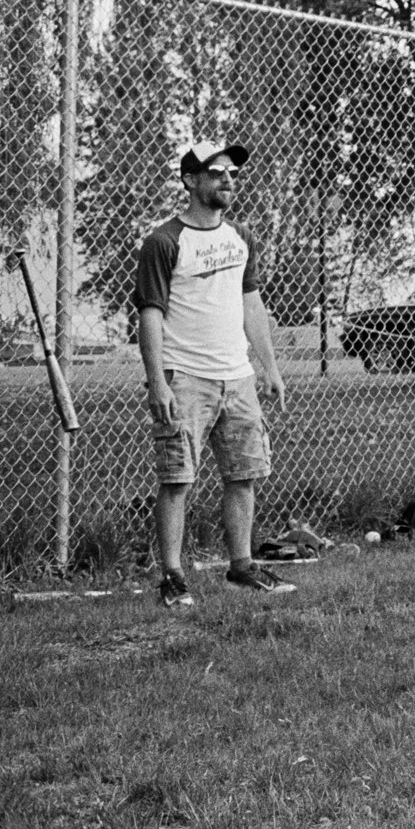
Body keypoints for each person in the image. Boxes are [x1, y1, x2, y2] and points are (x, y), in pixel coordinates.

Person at [136, 140, 294, 606]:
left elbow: (251, 304)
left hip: (238, 377)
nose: (229, 179)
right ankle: (172, 576)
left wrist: (269, 368)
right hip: (186, 377)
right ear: (190, 181)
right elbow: (150, 315)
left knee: (243, 474)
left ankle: (241, 566)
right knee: (177, 479)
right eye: (216, 171)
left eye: (233, 173)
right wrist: (159, 381)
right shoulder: (164, 242)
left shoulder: (241, 236)